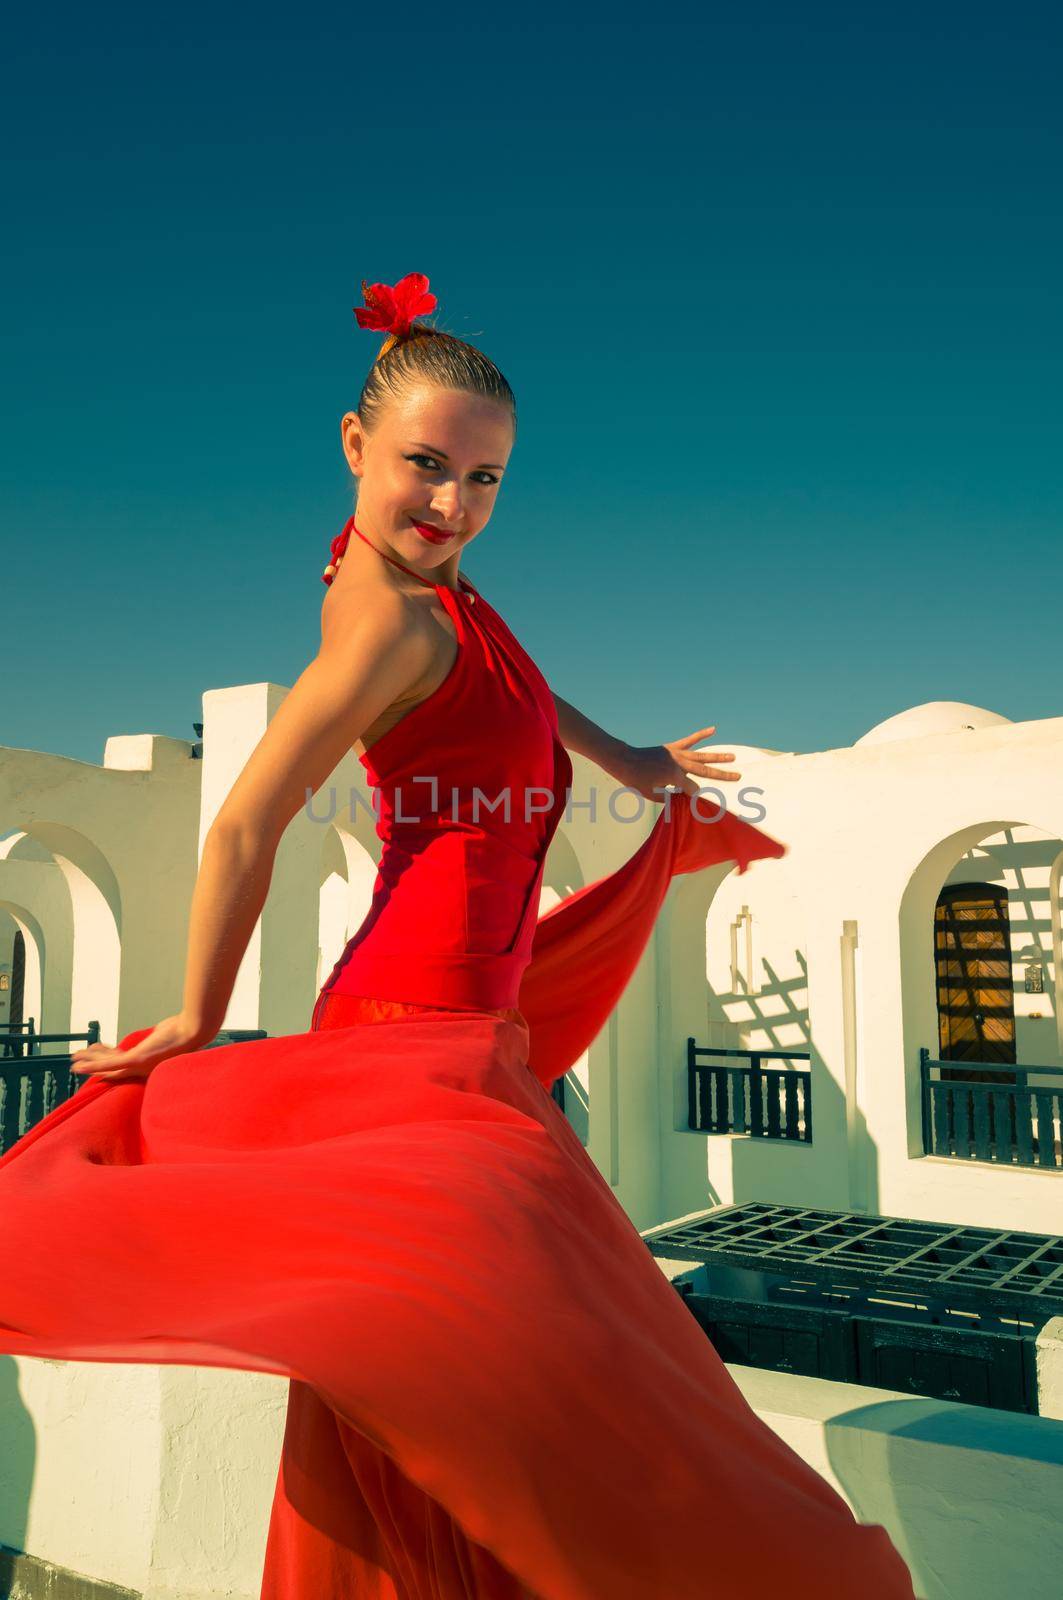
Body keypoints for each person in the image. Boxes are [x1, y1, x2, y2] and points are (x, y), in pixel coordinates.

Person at [0, 274, 916, 1599]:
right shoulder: (381, 623)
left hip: (475, 1039)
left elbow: (531, 692)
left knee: (442, 1388)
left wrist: (632, 759)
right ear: (353, 444)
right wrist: (196, 1016)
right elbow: (246, 823)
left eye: (484, 480)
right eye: (426, 467)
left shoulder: (450, 602)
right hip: (402, 1050)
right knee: (529, 1366)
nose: (453, 505)